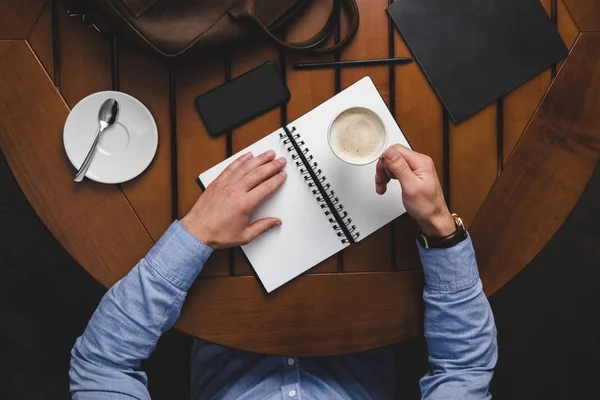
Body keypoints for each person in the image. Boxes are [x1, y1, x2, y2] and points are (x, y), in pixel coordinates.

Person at [70, 144, 497, 399]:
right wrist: (440, 227)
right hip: (369, 290)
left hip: (217, 289)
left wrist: (196, 233)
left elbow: (101, 365)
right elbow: (464, 372)